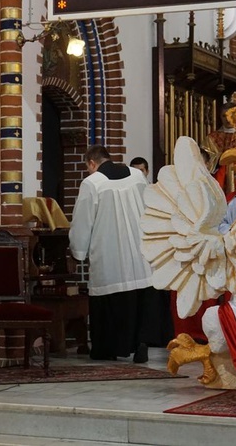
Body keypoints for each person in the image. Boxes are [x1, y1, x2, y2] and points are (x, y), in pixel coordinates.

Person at [69, 145, 159, 363]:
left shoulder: (92, 183)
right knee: (139, 297)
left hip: (110, 252)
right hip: (139, 250)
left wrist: (77, 252)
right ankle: (140, 343)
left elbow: (83, 221)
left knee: (110, 301)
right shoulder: (137, 176)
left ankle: (107, 348)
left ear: (92, 163)